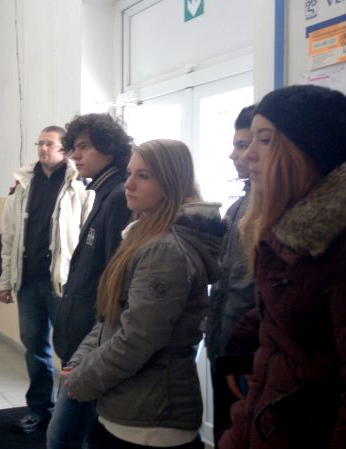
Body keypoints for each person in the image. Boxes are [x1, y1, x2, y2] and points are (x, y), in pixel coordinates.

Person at [219, 85, 346, 449]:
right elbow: (280, 339)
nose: (248, 155)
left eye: (264, 140)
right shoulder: (288, 234)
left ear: (306, 152)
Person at [65, 139, 223, 449]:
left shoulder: (164, 250)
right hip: (130, 405)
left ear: (170, 184)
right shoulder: (144, 234)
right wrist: (81, 361)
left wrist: (84, 378)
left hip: (151, 418)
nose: (129, 184)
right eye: (129, 173)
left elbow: (138, 339)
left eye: (144, 176)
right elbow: (111, 316)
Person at [0, 125, 88, 433]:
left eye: (49, 144)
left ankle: (66, 413)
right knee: (34, 347)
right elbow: (8, 235)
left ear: (64, 149)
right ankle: (39, 409)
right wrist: (3, 281)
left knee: (68, 349)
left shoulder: (78, 185)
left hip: (62, 284)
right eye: (40, 143)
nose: (42, 148)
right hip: (28, 282)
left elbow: (84, 235)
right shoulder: (24, 183)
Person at [49, 113, 133, 449]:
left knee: (63, 438)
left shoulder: (119, 197)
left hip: (92, 343)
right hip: (82, 341)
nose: (76, 155)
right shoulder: (102, 192)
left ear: (109, 147)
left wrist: (93, 349)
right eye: (73, 147)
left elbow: (116, 282)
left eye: (84, 146)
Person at [205, 104, 256, 443]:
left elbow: (252, 292)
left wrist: (241, 356)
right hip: (224, 345)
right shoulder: (239, 206)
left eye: (242, 145)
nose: (233, 155)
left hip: (246, 354)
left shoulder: (270, 207)